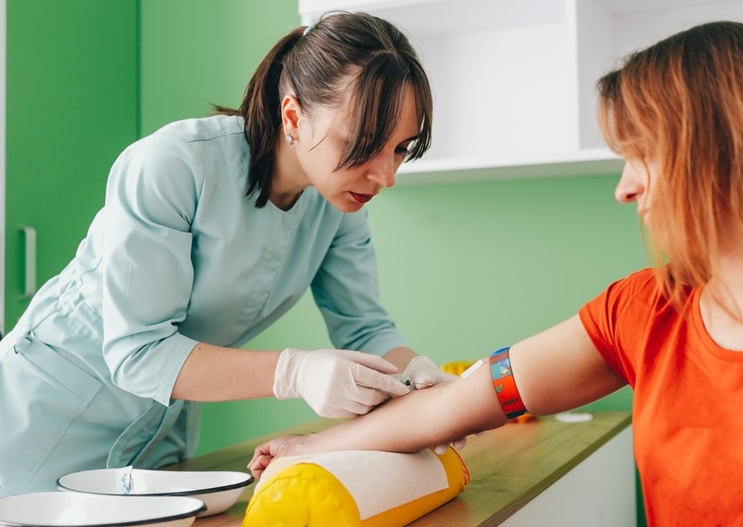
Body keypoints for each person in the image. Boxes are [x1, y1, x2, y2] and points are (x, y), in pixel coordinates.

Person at [248, 21, 743, 526]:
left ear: (722, 148)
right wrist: (317, 447)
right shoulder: (644, 311)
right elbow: (465, 400)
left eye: (639, 154)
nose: (624, 188)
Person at [0, 11, 457, 497]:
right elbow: (137, 352)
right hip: (49, 417)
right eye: (364, 145)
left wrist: (420, 376)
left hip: (158, 432)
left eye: (401, 149)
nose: (386, 176)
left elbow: (365, 328)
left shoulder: (338, 209)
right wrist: (294, 371)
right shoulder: (174, 166)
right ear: (293, 117)